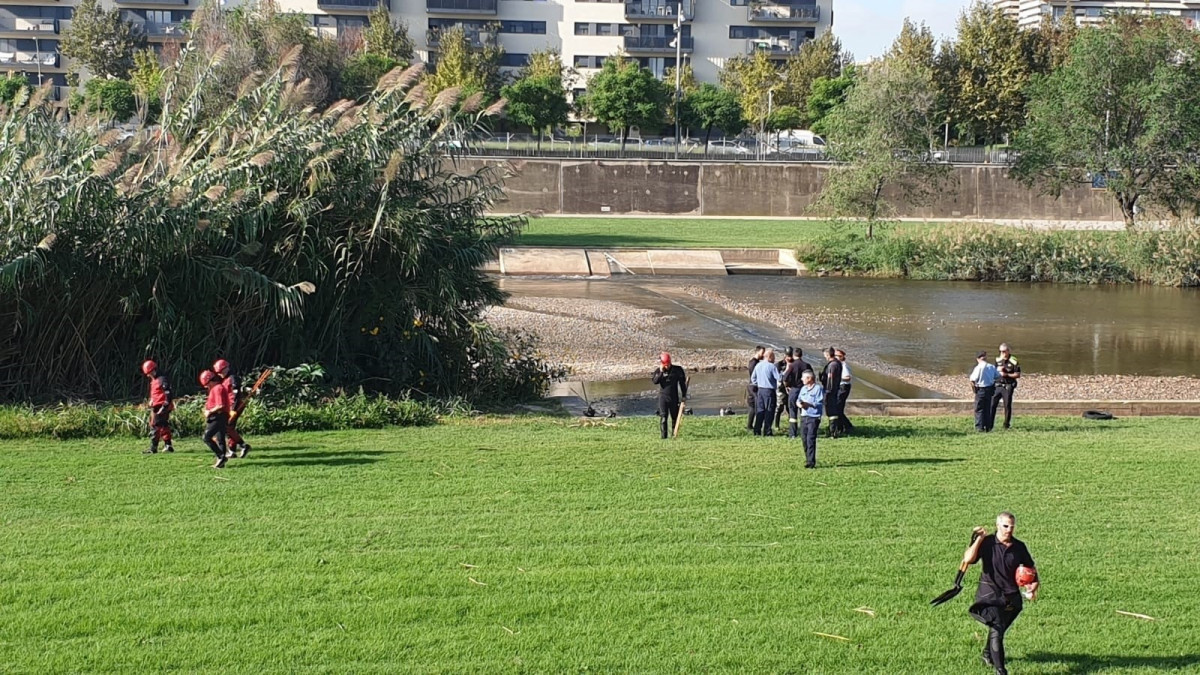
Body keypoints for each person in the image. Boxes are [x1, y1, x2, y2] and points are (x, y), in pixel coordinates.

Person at [963, 512, 1039, 675]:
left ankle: (987, 654)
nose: (1009, 530)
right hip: (989, 596)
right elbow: (968, 559)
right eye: (1005, 526)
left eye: (1012, 527)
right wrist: (978, 540)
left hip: (1012, 599)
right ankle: (1001, 670)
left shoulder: (1019, 547)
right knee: (997, 627)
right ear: (997, 525)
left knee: (998, 629)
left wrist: (1032, 587)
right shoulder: (987, 543)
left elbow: (1031, 571)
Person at [213, 359, 250, 458]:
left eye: (220, 372)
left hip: (235, 406)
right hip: (229, 406)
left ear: (226, 369)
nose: (219, 374)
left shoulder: (233, 378)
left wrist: (233, 409)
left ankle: (243, 445)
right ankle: (232, 450)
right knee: (230, 427)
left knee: (227, 427)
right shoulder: (226, 379)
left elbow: (236, 395)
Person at [651, 352, 688, 439]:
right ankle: (664, 437)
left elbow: (682, 384)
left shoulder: (677, 370)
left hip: (674, 397)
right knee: (664, 418)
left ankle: (674, 435)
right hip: (663, 397)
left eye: (668, 364)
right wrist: (661, 372)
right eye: (665, 365)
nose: (667, 366)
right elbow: (655, 381)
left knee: (674, 417)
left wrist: (684, 395)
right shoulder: (658, 371)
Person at [141, 360, 174, 454]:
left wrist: (165, 406)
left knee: (154, 425)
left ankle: (153, 448)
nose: (148, 375)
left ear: (153, 370)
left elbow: (168, 393)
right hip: (158, 405)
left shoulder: (162, 379)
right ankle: (168, 445)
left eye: (148, 373)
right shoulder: (155, 380)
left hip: (161, 406)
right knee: (163, 425)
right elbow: (156, 393)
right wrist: (152, 399)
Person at [200, 370, 231, 469]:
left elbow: (220, 405)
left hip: (219, 416)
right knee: (220, 438)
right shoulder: (216, 388)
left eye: (207, 385)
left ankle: (221, 456)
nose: (206, 387)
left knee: (206, 437)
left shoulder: (218, 388)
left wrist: (209, 411)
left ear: (210, 381)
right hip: (219, 416)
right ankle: (221, 462)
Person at [797, 370, 825, 468]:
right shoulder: (803, 389)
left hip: (814, 417)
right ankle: (807, 458)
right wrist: (799, 404)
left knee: (810, 438)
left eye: (803, 377)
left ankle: (811, 462)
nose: (801, 379)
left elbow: (820, 403)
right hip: (804, 416)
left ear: (809, 379)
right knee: (804, 439)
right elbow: (798, 399)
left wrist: (809, 404)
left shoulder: (818, 389)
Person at [992, 343, 1021, 430]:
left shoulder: (1014, 361)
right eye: (1000, 351)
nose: (1002, 353)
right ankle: (990, 423)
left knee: (1007, 405)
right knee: (992, 404)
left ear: (1008, 351)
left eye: (1004, 351)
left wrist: (1006, 374)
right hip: (997, 385)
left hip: (1007, 385)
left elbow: (1017, 374)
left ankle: (1006, 425)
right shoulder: (998, 360)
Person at [751, 348, 779, 436]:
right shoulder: (771, 366)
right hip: (769, 391)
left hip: (760, 390)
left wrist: (759, 383)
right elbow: (779, 378)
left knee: (760, 410)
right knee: (769, 411)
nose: (774, 359)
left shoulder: (758, 365)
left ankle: (757, 430)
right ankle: (767, 431)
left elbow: (753, 379)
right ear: (769, 357)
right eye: (773, 357)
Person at [970, 350, 1000, 432]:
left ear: (977, 359)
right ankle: (988, 427)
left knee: (979, 409)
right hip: (989, 389)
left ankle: (979, 427)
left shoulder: (978, 367)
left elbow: (972, 380)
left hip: (981, 389)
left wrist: (974, 390)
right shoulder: (991, 367)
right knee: (987, 408)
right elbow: (998, 376)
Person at [783, 348, 808, 439]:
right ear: (801, 355)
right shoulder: (806, 365)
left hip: (794, 390)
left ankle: (793, 433)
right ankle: (804, 432)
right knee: (804, 412)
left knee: (793, 412)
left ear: (794, 355)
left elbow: (785, 378)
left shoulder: (792, 366)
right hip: (804, 391)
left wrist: (787, 386)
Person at [820, 348, 844, 438]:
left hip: (830, 391)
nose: (825, 357)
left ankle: (833, 431)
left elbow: (830, 380)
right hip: (834, 390)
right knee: (832, 411)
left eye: (825, 355)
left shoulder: (832, 365)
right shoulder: (837, 363)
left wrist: (828, 391)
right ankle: (833, 429)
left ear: (828, 355)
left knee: (831, 411)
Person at [834, 348, 855, 436]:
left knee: (838, 408)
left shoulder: (843, 365)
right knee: (838, 408)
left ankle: (847, 426)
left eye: (838, 356)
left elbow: (848, 377)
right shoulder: (838, 365)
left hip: (843, 387)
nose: (836, 357)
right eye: (835, 355)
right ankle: (841, 426)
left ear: (842, 357)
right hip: (841, 386)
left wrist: (837, 378)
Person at [746, 345, 765, 431]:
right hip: (753, 387)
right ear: (757, 352)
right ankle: (751, 426)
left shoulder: (754, 362)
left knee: (753, 406)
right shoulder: (754, 363)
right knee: (754, 406)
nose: (763, 355)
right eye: (762, 353)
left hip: (752, 386)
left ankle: (750, 425)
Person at [773, 357, 789, 432]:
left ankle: (792, 425)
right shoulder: (778, 365)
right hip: (780, 390)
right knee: (779, 408)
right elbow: (778, 379)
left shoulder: (793, 363)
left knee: (789, 408)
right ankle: (776, 425)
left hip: (789, 389)